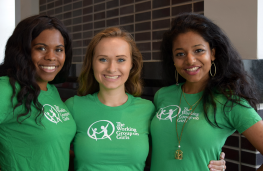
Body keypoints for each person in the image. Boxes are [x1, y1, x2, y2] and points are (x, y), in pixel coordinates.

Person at [65, 27, 226, 171]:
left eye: (121, 59)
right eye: (102, 59)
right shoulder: (73, 107)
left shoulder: (148, 109)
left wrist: (211, 161)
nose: (111, 68)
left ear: (132, 65)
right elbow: (54, 149)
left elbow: (166, 151)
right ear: (92, 63)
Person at [150, 13, 263, 171]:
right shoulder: (162, 95)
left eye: (198, 50)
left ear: (213, 53)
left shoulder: (228, 102)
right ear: (173, 60)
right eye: (180, 54)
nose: (190, 60)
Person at [0, 15, 76, 171]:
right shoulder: (5, 88)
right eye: (41, 48)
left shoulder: (52, 90)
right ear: (23, 50)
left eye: (58, 50)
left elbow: (50, 147)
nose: (51, 57)